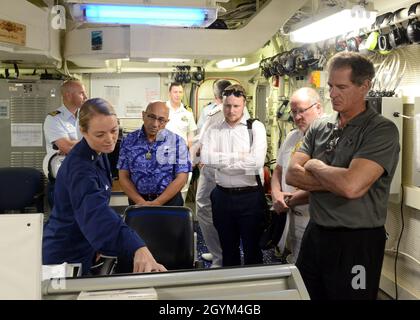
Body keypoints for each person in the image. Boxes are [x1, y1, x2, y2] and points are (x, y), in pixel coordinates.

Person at [286, 52, 400, 300]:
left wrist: (316, 166)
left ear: (365, 86)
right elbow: (292, 174)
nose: (332, 94)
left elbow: (351, 187)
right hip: (316, 234)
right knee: (305, 295)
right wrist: (339, 179)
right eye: (330, 86)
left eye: (341, 87)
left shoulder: (381, 130)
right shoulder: (320, 126)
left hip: (357, 242)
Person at [43, 98, 167, 275]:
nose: (110, 139)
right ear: (83, 131)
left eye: (114, 130)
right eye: (100, 134)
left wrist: (97, 240)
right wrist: (137, 247)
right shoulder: (80, 169)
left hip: (83, 242)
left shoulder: (98, 152)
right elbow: (96, 212)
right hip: (63, 254)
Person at [201, 84, 267, 266]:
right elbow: (207, 157)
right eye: (227, 106)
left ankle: (254, 290)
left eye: (236, 106)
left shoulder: (255, 128)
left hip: (250, 198)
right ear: (222, 104)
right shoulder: (214, 128)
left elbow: (256, 163)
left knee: (252, 249)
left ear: (244, 104)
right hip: (222, 196)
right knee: (228, 250)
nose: (231, 111)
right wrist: (239, 157)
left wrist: (221, 162)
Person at [271, 87, 323, 263]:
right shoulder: (292, 137)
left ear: (318, 108)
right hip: (288, 215)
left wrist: (287, 201)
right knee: (292, 261)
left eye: (302, 111)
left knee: (308, 270)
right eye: (294, 112)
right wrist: (276, 194)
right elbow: (278, 170)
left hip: (311, 218)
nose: (297, 117)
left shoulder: (327, 141)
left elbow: (324, 185)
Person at [118, 101, 191, 206]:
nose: (155, 124)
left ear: (167, 121)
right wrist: (140, 202)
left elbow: (182, 177)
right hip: (137, 202)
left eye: (161, 120)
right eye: (151, 117)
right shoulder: (128, 140)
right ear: (143, 115)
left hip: (170, 202)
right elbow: (123, 176)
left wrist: (158, 202)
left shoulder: (177, 142)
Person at [194, 79, 232, 267]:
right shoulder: (244, 112)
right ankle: (222, 252)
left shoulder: (214, 113)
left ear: (216, 97)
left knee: (203, 207)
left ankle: (219, 256)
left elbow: (200, 143)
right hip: (234, 170)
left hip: (214, 169)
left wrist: (194, 161)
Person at [43, 80, 87, 207]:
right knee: (63, 223)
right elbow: (67, 147)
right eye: (82, 93)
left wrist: (75, 145)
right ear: (68, 95)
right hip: (63, 180)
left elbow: (73, 147)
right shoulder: (53, 119)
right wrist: (86, 144)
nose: (86, 97)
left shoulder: (84, 118)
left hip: (82, 177)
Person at [165, 82, 197, 201]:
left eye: (180, 92)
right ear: (169, 93)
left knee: (183, 185)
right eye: (175, 92)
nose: (178, 95)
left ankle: (180, 212)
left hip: (182, 155)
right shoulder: (163, 110)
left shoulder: (187, 113)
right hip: (164, 154)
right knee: (165, 186)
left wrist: (192, 157)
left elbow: (190, 137)